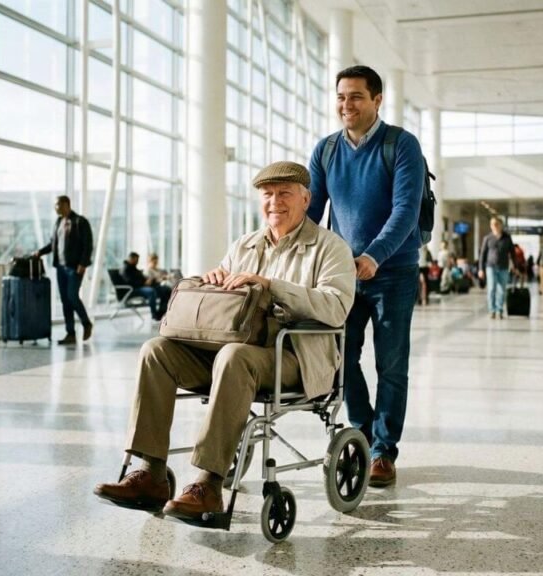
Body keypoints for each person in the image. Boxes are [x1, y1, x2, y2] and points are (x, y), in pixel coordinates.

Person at [93, 161, 355, 520]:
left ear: (306, 199)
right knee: (156, 351)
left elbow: (337, 307)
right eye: (267, 195)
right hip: (234, 350)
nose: (274, 202)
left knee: (234, 357)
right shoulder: (244, 245)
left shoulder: (329, 247)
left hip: (295, 356)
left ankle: (208, 485)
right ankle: (151, 473)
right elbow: (224, 304)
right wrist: (212, 281)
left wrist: (271, 285)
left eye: (284, 194)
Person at [307, 65, 425, 487]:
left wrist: (374, 255)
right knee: (340, 357)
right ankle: (363, 430)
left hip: (393, 271)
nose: (346, 105)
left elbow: (405, 211)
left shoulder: (402, 145)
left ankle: (383, 451)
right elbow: (310, 213)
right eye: (341, 96)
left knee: (391, 364)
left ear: (377, 100)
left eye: (356, 96)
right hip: (343, 275)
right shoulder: (325, 151)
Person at [35, 195, 93, 345]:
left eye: (58, 205)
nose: (56, 208)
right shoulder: (58, 222)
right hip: (60, 267)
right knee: (65, 301)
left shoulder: (80, 221)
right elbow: (53, 244)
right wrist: (39, 252)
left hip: (75, 268)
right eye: (55, 205)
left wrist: (83, 263)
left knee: (72, 296)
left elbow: (88, 245)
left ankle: (86, 323)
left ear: (67, 204)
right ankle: (70, 333)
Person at [478, 216, 515, 319]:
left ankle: (500, 310)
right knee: (491, 289)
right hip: (490, 266)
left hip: (503, 267)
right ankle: (492, 310)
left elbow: (512, 252)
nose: (494, 226)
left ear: (500, 225)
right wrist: (481, 269)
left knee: (502, 290)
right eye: (492, 224)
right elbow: (482, 254)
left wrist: (515, 266)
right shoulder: (488, 238)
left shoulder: (507, 238)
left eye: (496, 224)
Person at [120, 252, 172, 321]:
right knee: (151, 291)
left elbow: (139, 277)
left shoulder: (133, 267)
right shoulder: (126, 269)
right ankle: (154, 314)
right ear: (131, 259)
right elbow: (131, 282)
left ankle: (162, 312)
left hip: (142, 286)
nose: (137, 262)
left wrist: (147, 280)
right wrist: (144, 282)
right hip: (133, 289)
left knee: (166, 289)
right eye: (136, 260)